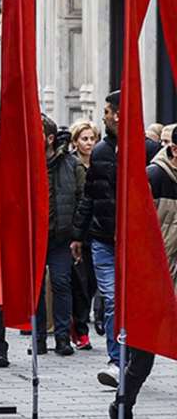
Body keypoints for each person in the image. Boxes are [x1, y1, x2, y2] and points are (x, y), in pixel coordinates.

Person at [111, 125, 177, 418]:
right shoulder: (154, 177)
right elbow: (133, 229)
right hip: (156, 278)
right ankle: (123, 404)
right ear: (174, 150)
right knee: (143, 353)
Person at [73, 91, 122, 387]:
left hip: (133, 244)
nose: (103, 116)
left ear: (117, 114)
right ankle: (116, 361)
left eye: (106, 111)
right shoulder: (101, 151)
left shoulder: (145, 148)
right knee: (113, 298)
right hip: (103, 239)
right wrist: (78, 235)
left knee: (130, 303)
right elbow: (89, 197)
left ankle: (132, 358)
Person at [33, 114, 83, 356]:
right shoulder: (28, 163)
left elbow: (81, 198)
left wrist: (77, 234)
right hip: (35, 237)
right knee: (35, 288)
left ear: (50, 138)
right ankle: (39, 338)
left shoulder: (71, 164)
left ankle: (63, 338)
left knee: (62, 283)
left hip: (61, 237)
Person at [68, 119, 99, 349]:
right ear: (75, 141)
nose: (89, 143)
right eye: (84, 139)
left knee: (92, 283)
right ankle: (79, 328)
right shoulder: (71, 165)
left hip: (97, 230)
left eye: (91, 138)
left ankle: (80, 322)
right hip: (79, 231)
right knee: (80, 282)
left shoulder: (100, 162)